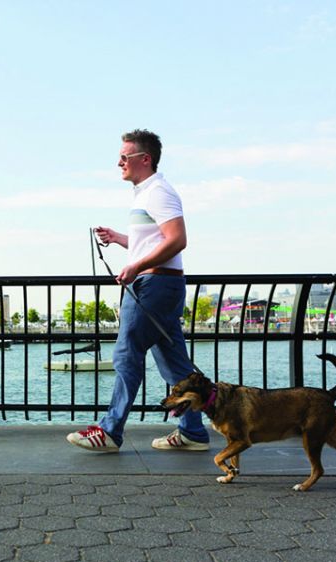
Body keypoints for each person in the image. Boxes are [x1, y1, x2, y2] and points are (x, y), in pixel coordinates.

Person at [66, 129, 210, 453]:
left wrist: (134, 268)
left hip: (154, 285)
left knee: (126, 353)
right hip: (162, 284)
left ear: (144, 159)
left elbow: (177, 240)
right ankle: (193, 432)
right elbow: (156, 242)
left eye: (124, 157)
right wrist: (120, 239)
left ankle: (109, 431)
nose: (119, 163)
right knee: (174, 365)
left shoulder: (159, 192)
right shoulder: (146, 195)